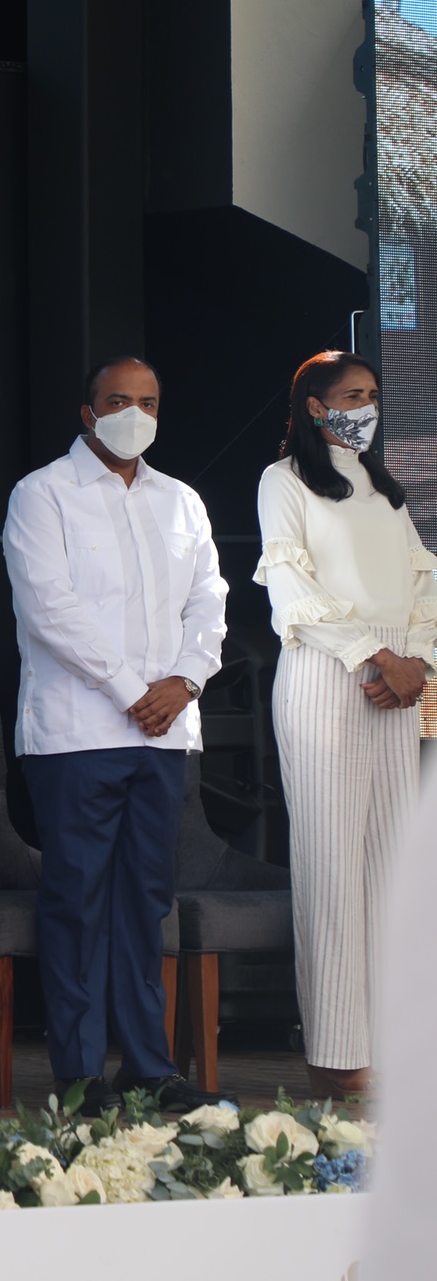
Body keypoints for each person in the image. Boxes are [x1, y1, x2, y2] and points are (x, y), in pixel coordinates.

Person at [3, 358, 227, 1113]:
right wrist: (136, 690)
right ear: (87, 412)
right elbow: (50, 608)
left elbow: (209, 603)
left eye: (149, 402)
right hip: (77, 734)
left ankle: (147, 1066)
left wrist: (184, 680)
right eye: (119, 401)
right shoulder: (43, 494)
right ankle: (78, 1071)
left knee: (146, 901)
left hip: (164, 735)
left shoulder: (181, 500)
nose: (136, 414)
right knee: (77, 901)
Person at [254, 350, 436, 1100]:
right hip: (327, 675)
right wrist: (378, 656)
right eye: (352, 396)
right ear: (315, 406)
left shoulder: (385, 490)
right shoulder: (284, 480)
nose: (367, 407)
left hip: (395, 687)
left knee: (393, 867)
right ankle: (336, 1055)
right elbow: (291, 584)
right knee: (331, 865)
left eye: (372, 395)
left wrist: (418, 660)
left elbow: (424, 582)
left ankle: (397, 1044)